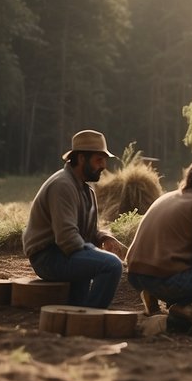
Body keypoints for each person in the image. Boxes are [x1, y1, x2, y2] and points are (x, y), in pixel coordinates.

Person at [125, 159, 192, 331]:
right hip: (165, 279)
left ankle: (153, 305)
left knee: (180, 267)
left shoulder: (166, 197)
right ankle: (186, 315)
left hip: (135, 273)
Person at [22, 129, 126, 308]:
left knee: (80, 295)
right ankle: (90, 318)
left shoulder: (87, 191)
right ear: (80, 159)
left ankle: (79, 313)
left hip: (67, 252)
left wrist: (104, 237)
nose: (104, 165)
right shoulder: (62, 185)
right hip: (48, 257)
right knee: (112, 266)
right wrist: (96, 253)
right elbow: (67, 239)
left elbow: (89, 232)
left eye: (104, 160)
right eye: (98, 160)